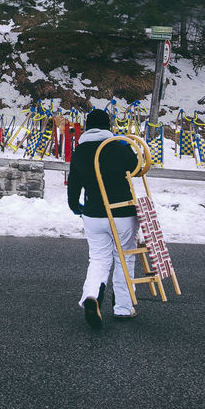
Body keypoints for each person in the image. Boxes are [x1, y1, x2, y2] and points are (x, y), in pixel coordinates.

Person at [66, 108, 140, 327]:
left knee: (98, 259)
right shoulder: (116, 145)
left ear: (87, 127)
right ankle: (124, 308)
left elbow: (74, 182)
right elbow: (136, 166)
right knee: (124, 258)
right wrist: (127, 146)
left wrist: (74, 206)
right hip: (122, 212)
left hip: (93, 213)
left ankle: (92, 296)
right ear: (109, 126)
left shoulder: (80, 150)